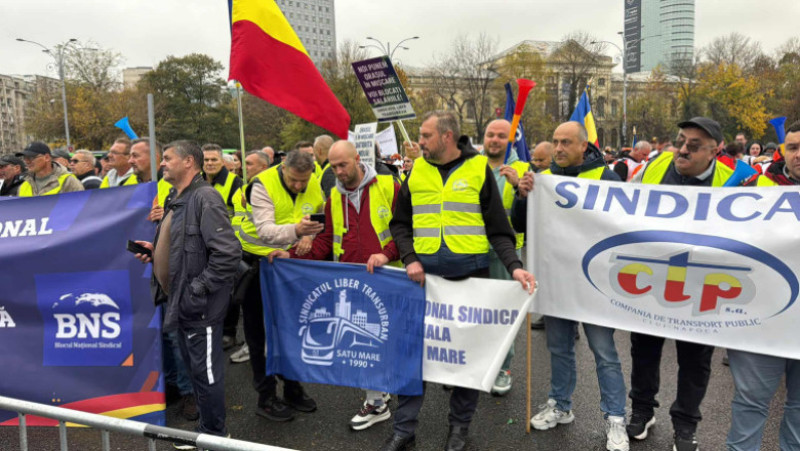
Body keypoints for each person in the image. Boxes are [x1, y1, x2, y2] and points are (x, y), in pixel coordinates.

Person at [382, 110, 536, 451]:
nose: (418, 142)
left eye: (425, 136)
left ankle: (459, 430)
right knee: (414, 356)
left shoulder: (478, 168)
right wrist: (409, 258)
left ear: (447, 137)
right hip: (423, 283)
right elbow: (400, 224)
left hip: (471, 280)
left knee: (463, 359)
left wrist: (514, 267)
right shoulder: (416, 170)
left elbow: (499, 229)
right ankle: (404, 430)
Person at [627, 117, 773, 451]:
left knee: (695, 359)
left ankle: (685, 424)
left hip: (704, 284)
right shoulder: (656, 166)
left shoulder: (735, 181)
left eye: (694, 146)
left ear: (715, 151)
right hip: (654, 278)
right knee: (644, 349)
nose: (682, 150)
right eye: (680, 141)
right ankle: (642, 411)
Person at [271, 140, 401, 431]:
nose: (339, 171)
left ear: (357, 159)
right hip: (352, 281)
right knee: (365, 342)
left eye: (344, 164)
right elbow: (326, 241)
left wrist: (387, 254)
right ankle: (378, 399)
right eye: (333, 166)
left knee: (381, 340)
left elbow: (406, 231)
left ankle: (378, 400)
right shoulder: (334, 197)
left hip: (387, 278)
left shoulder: (389, 187)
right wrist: (289, 255)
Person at [522, 122, 628, 451]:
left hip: (595, 285)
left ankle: (615, 419)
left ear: (584, 146)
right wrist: (522, 195)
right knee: (559, 349)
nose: (558, 148)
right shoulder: (545, 179)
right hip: (557, 280)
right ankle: (560, 405)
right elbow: (518, 223)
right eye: (555, 142)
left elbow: (622, 226)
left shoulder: (606, 178)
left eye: (566, 142)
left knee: (605, 353)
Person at [132, 140, 240, 449]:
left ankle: (216, 438)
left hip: (198, 305)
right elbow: (180, 245)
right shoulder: (174, 196)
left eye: (167, 158)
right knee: (195, 372)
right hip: (178, 300)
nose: (162, 163)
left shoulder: (205, 197)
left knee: (206, 375)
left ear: (189, 162)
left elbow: (227, 254)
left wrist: (197, 290)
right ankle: (203, 434)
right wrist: (156, 253)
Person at [725, 121, 800, 450]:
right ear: (784, 149)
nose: (799, 155)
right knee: (750, 404)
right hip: (763, 317)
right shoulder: (756, 184)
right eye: (794, 147)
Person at [237, 149, 324, 422]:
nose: (299, 186)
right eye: (294, 180)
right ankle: (265, 396)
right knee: (258, 334)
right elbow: (265, 230)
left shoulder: (315, 182)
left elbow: (320, 219)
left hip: (291, 264)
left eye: (304, 180)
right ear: (282, 167)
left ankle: (292, 388)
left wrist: (311, 238)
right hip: (257, 263)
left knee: (293, 328)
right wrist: (299, 232)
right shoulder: (262, 184)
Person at [481, 119, 530, 396]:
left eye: (501, 136)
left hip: (505, 253)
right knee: (471, 310)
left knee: (502, 312)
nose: (495, 140)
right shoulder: (471, 166)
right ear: (483, 138)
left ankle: (503, 368)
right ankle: (473, 364)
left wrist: (517, 188)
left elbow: (531, 212)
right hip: (471, 248)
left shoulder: (522, 168)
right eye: (491, 135)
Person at [227, 151, 273, 366]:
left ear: (264, 167)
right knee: (250, 310)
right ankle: (252, 345)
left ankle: (272, 349)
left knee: (271, 308)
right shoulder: (241, 191)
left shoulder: (272, 190)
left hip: (270, 259)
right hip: (245, 257)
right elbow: (238, 221)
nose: (244, 167)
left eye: (249, 164)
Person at [16, 142, 83, 196]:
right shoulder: (24, 186)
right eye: (25, 158)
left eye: (31, 158)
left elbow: (81, 208)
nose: (27, 162)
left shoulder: (68, 182)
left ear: (47, 157)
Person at [202, 144, 243, 222]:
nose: (209, 163)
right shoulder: (195, 180)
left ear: (223, 162)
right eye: (206, 160)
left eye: (214, 160)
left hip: (224, 232)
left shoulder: (235, 182)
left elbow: (240, 217)